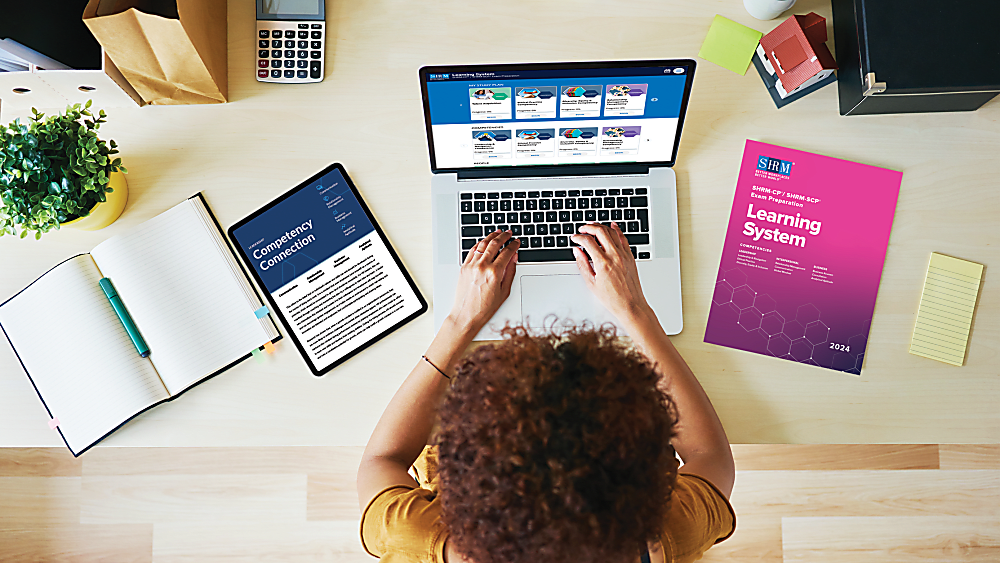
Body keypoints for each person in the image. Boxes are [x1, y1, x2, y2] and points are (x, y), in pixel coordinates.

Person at [358, 224, 736, 563]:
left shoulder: (416, 538)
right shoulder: (664, 539)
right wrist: (635, 310)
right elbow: (710, 455)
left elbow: (383, 458)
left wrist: (460, 322)